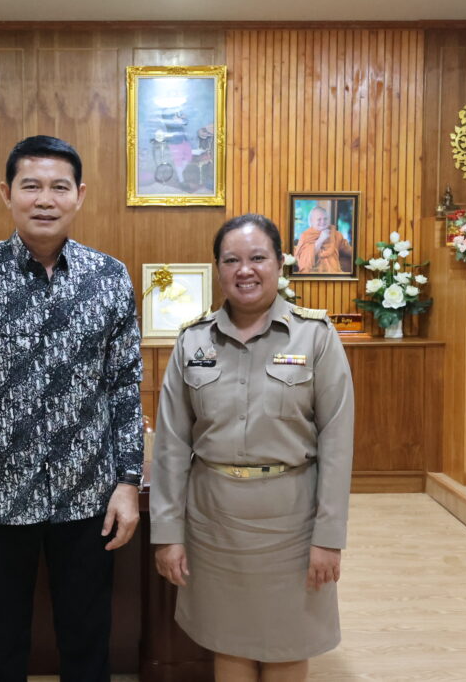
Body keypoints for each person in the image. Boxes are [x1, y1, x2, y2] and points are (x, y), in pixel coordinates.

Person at [0, 135, 144, 681]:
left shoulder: (109, 277)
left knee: (88, 644)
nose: (45, 199)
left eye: (58, 187)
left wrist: (128, 483)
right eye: (31, 186)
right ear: (7, 193)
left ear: (79, 195)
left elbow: (124, 386)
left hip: (89, 497)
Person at [151, 213, 355, 681]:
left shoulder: (315, 336)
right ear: (218, 269)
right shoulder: (193, 341)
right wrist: (168, 533)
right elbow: (172, 446)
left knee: (288, 640)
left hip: (291, 522)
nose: (245, 270)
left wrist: (329, 538)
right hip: (214, 521)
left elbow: (337, 445)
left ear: (280, 264)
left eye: (258, 258)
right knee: (229, 640)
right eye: (231, 260)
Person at [293, 206, 353, 274]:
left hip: (334, 274)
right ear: (312, 221)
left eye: (325, 219)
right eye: (319, 219)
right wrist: (321, 239)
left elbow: (348, 250)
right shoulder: (306, 236)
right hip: (312, 275)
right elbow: (305, 262)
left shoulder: (335, 234)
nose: (323, 222)